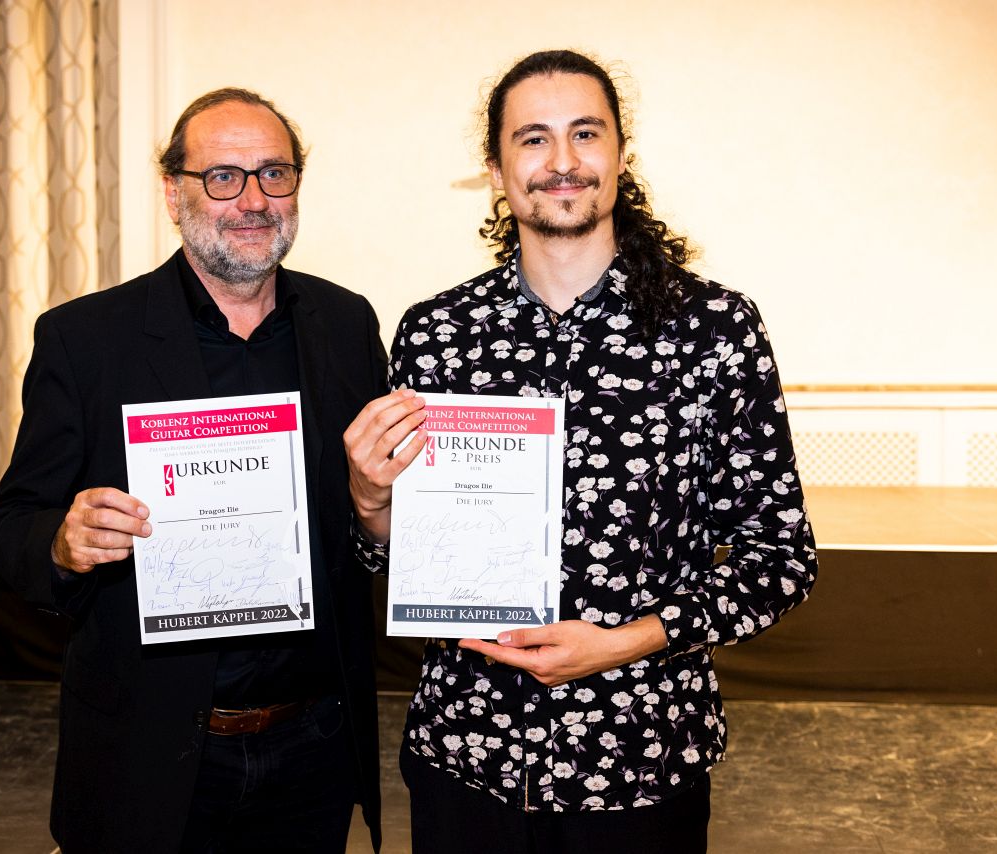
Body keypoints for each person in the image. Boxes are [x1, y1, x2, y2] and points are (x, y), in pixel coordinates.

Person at [344, 50, 817, 852]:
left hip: (640, 759)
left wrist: (626, 642)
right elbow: (392, 555)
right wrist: (369, 500)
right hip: (468, 759)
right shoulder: (438, 334)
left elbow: (780, 560)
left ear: (621, 157)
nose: (562, 160)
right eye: (533, 138)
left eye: (585, 133)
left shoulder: (715, 331)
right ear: (496, 171)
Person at [0, 88, 385, 853]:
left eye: (274, 174)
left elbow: (364, 525)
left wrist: (377, 510)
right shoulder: (85, 340)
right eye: (223, 177)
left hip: (313, 751)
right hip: (149, 756)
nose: (254, 200)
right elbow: (10, 528)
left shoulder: (346, 325)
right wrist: (63, 543)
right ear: (174, 194)